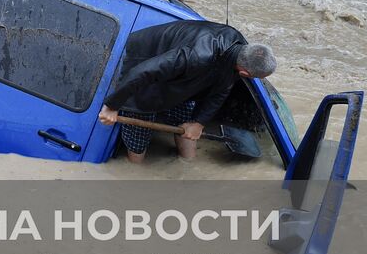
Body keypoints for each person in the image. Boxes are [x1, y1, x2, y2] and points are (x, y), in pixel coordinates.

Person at [97, 20, 276, 163]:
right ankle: (135, 172)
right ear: (245, 72)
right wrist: (112, 106)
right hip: (145, 67)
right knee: (139, 139)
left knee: (188, 126)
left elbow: (222, 89)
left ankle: (187, 169)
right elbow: (143, 72)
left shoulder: (239, 49)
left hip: (180, 78)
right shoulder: (197, 56)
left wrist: (199, 123)